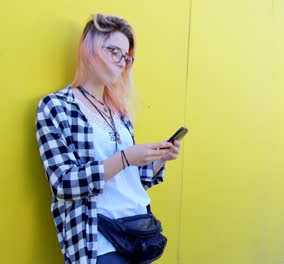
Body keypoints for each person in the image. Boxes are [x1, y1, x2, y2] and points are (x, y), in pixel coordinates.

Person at [35, 14, 181, 263]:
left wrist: (157, 160)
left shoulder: (120, 113)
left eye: (126, 57)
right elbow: (63, 183)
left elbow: (127, 182)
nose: (121, 62)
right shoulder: (56, 107)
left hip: (137, 233)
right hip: (97, 240)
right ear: (89, 48)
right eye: (114, 51)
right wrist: (125, 158)